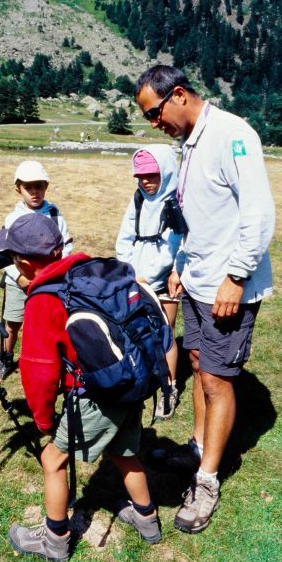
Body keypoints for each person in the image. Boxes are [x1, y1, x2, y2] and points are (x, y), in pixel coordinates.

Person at [134, 65, 275, 533]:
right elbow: (198, 216)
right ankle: (196, 450)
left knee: (216, 379)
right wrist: (179, 264)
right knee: (197, 362)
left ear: (178, 95)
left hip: (226, 288)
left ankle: (208, 480)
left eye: (155, 113)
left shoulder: (233, 134)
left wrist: (236, 277)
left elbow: (257, 213)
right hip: (196, 280)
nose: (154, 124)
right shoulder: (189, 142)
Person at [0, 215, 161, 562]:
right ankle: (147, 520)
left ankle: (54, 539)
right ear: (59, 248)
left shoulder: (43, 300)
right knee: (124, 454)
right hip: (128, 383)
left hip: (93, 397)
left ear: (23, 262)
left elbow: (38, 372)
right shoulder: (88, 271)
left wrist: (43, 422)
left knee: (51, 460)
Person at [114, 144, 184, 419]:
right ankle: (142, 379)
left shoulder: (176, 200)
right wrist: (130, 270)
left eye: (152, 175)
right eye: (141, 176)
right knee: (138, 327)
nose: (145, 181)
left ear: (165, 172)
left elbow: (176, 242)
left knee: (166, 332)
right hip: (137, 275)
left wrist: (154, 274)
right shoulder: (139, 199)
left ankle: (169, 388)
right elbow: (125, 235)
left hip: (164, 278)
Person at [0, 160, 73, 381]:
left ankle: (49, 360)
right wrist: (18, 276)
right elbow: (4, 252)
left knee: (46, 325)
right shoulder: (12, 219)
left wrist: (55, 275)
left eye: (39, 186)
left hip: (49, 283)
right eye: (28, 187)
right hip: (19, 283)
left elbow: (66, 248)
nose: (34, 192)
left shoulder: (56, 218)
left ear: (46, 186)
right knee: (12, 322)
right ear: (18, 188)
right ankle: (5, 358)